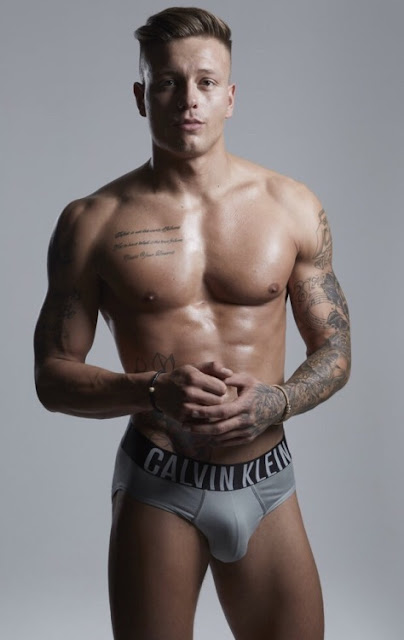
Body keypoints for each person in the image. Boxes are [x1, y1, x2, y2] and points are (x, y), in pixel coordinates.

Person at [34, 6, 351, 640]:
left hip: (265, 480)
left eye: (206, 82)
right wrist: (152, 391)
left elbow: (335, 347)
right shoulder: (92, 222)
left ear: (230, 97)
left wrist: (279, 401)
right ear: (141, 96)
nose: (188, 99)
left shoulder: (291, 207)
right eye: (168, 82)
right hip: (159, 482)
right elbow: (51, 377)